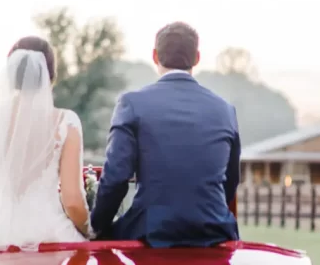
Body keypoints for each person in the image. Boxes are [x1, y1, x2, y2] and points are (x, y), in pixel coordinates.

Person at [89, 21, 241, 247]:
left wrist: (97, 225)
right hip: (215, 229)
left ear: (154, 56)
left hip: (151, 230)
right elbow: (230, 182)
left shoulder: (132, 103)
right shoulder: (225, 110)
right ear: (197, 58)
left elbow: (116, 178)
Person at [0, 36, 88, 254]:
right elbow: (72, 200)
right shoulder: (66, 121)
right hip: (48, 233)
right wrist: (90, 231)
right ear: (50, 74)